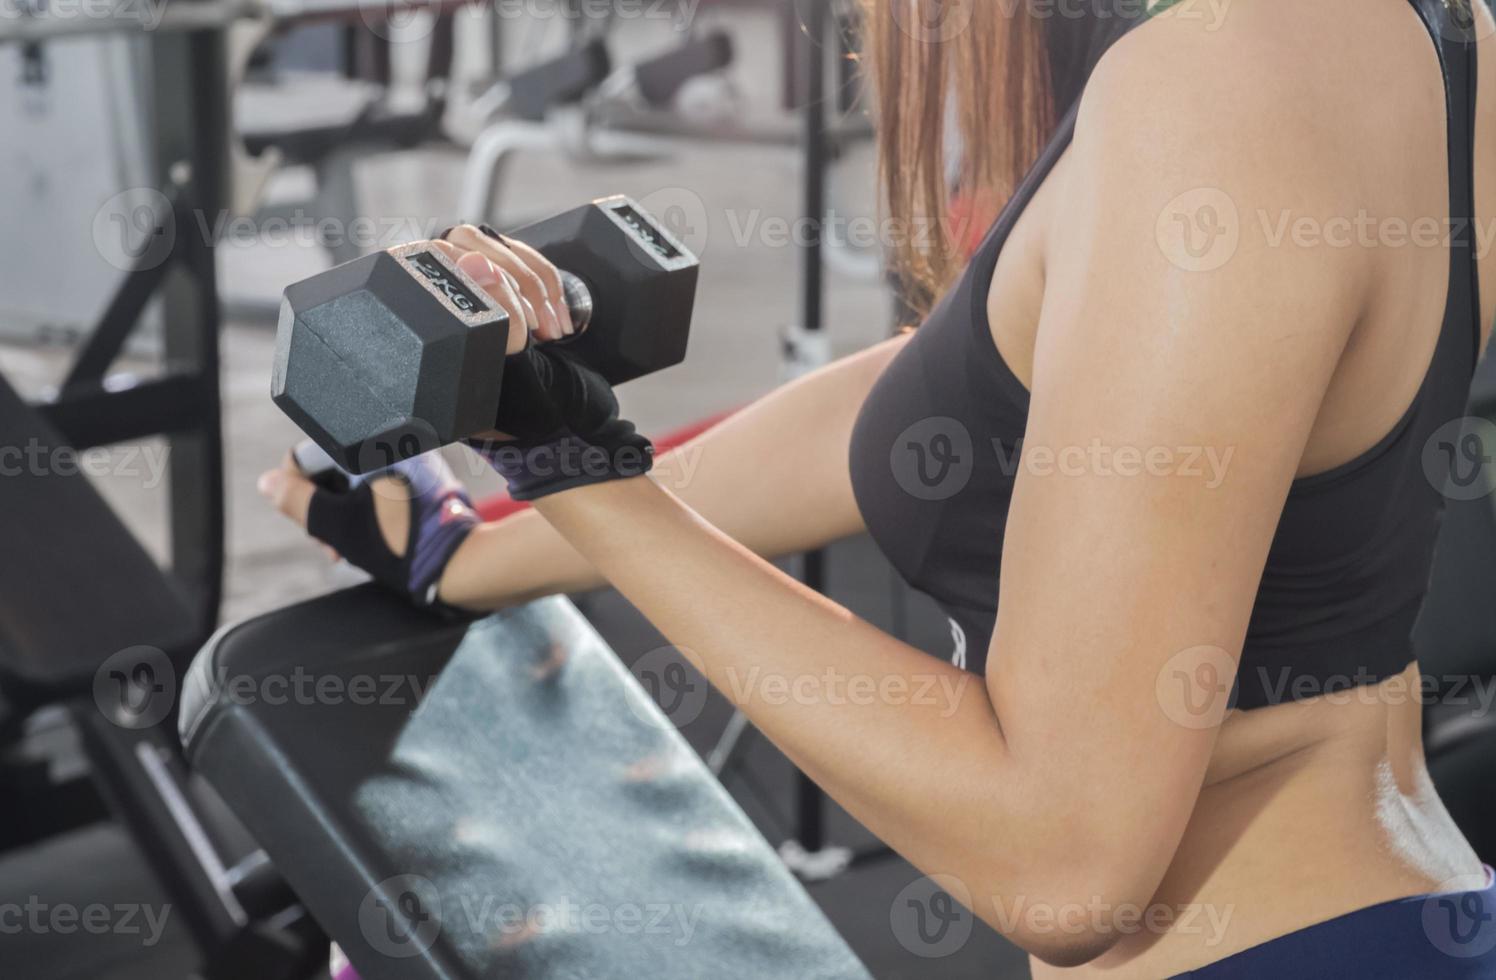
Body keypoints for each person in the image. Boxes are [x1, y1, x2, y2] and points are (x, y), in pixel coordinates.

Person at [258, 0, 1496, 974]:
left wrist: (570, 466)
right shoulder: (1417, 31)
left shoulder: (1213, 90)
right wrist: (483, 541)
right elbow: (976, 388)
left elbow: (1064, 860)